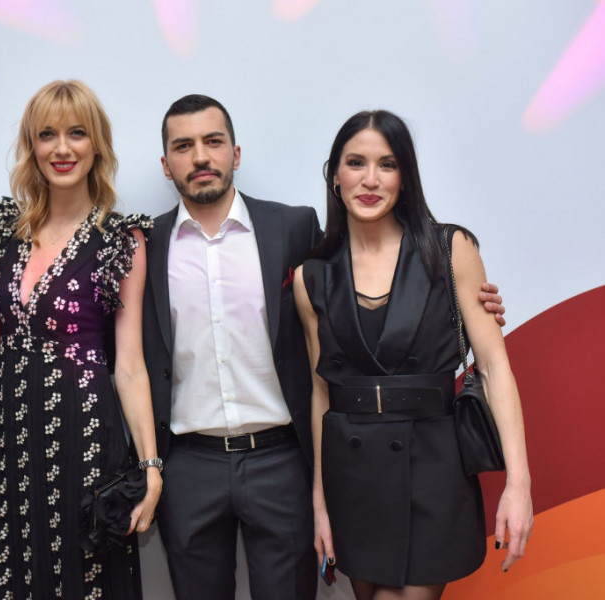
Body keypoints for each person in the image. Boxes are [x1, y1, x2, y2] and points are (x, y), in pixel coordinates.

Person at [141, 95, 508, 600]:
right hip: (191, 464)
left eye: (213, 141)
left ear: (236, 153)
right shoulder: (143, 244)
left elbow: (367, 287)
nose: (201, 156)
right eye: (184, 146)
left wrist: (472, 303)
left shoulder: (291, 229)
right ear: (166, 164)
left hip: (282, 460)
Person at [293, 110, 533, 600]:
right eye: (356, 163)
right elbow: (321, 394)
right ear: (334, 175)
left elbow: (494, 368)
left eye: (387, 164)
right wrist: (320, 501)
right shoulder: (310, 277)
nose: (371, 179)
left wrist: (519, 483)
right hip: (352, 477)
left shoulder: (450, 248)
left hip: (433, 469)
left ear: (405, 178)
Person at [0, 80, 162, 600]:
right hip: (8, 444)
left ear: (97, 144)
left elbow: (130, 365)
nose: (62, 148)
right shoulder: (0, 233)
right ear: (31, 146)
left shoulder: (121, 239)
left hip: (87, 443)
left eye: (77, 133)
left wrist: (150, 467)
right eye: (47, 135)